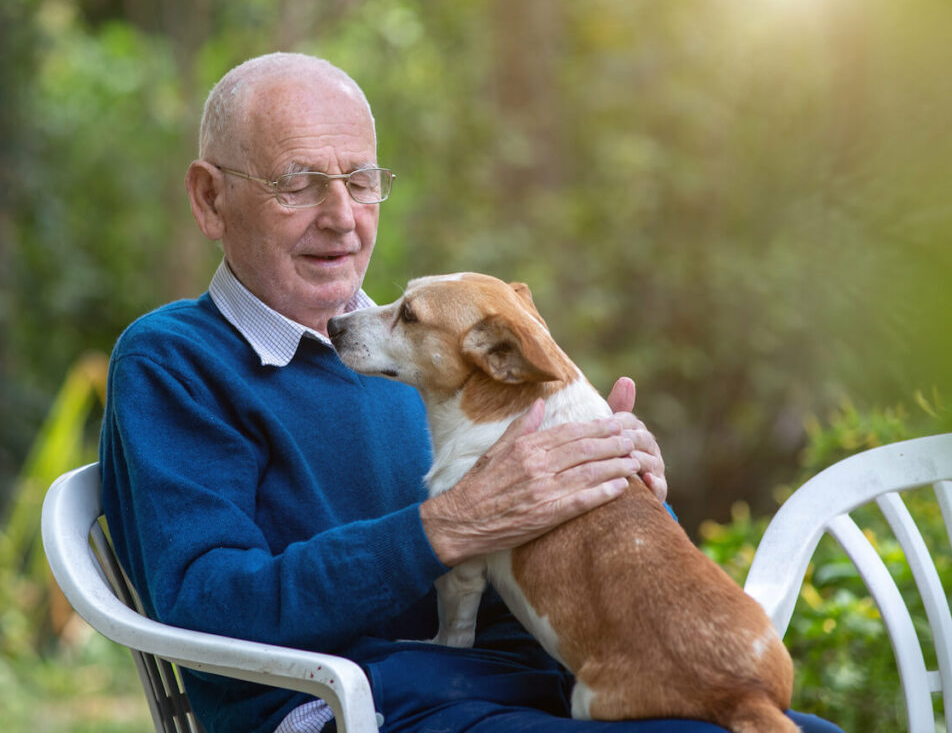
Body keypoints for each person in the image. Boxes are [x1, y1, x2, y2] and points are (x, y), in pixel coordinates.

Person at [100, 53, 841, 733]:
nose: (342, 217)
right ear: (209, 198)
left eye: (360, 181)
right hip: (354, 707)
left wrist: (610, 487)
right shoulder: (176, 362)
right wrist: (443, 527)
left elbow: (540, 572)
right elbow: (209, 607)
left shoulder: (432, 359)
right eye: (298, 183)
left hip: (524, 685)